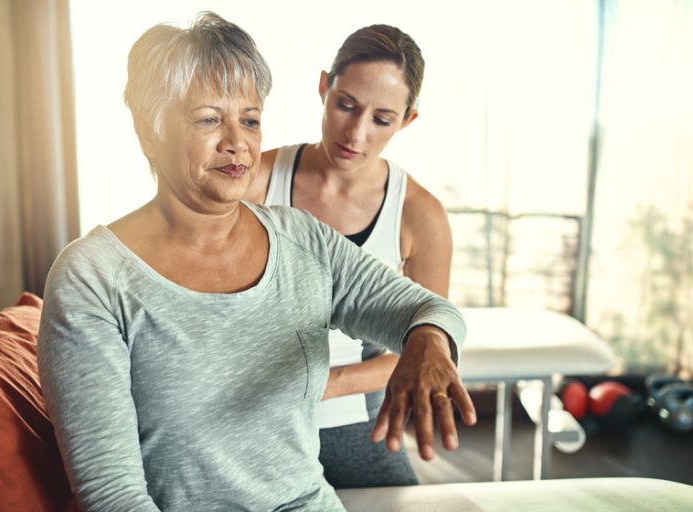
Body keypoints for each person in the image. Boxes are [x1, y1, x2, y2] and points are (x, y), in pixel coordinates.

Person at [37, 12, 475, 512]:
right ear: (148, 129)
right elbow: (111, 494)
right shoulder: (91, 278)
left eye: (249, 119)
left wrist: (429, 339)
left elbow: (433, 311)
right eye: (208, 119)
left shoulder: (302, 238)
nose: (237, 142)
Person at [246, 24, 450, 488]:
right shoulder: (257, 178)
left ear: (407, 120)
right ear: (324, 87)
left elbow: (423, 351)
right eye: (346, 105)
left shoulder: (421, 215)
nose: (356, 133)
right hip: (254, 415)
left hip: (352, 420)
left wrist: (324, 384)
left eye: (382, 119)